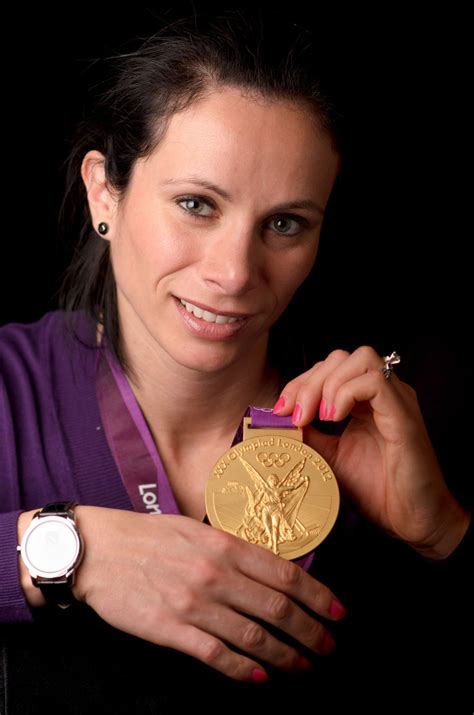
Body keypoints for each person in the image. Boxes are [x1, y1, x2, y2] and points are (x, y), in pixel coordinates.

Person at [0, 8, 472, 713]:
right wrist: (69, 549)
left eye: (285, 224)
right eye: (197, 204)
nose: (235, 272)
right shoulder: (9, 387)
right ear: (105, 190)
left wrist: (443, 534)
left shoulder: (392, 424)